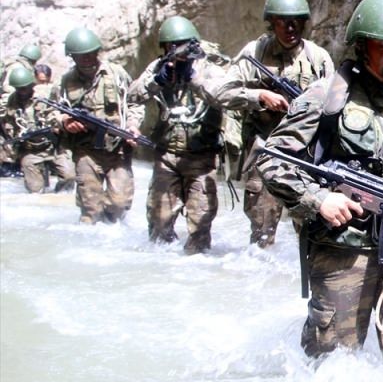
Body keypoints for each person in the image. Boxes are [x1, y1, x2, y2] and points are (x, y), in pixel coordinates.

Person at [257, 0, 383, 367]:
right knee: (331, 365)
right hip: (342, 248)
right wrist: (319, 200)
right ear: (363, 47)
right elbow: (272, 160)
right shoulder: (326, 97)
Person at [215, 0, 333, 247]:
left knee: (312, 236)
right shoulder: (254, 52)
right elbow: (222, 92)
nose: (290, 29)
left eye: (296, 23)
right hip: (264, 153)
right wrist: (259, 97)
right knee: (262, 238)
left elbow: (334, 106)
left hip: (305, 158)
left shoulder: (318, 58)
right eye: (282, 22)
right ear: (272, 23)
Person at [129, 16, 226, 254]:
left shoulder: (208, 68)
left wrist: (194, 79)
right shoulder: (158, 68)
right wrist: (157, 81)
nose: (179, 53)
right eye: (172, 47)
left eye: (183, 45)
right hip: (167, 157)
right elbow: (133, 95)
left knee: (200, 226)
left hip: (201, 158)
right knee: (159, 224)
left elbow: (224, 95)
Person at [59, 27, 144, 224]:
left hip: (117, 149)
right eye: (81, 56)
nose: (87, 59)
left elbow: (133, 103)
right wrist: (65, 122)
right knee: (90, 210)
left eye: (91, 53)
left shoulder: (116, 74)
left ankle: (112, 233)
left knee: (119, 203)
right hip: (86, 152)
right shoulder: (66, 80)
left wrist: (132, 125)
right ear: (73, 57)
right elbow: (53, 110)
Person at [1, 65, 75, 193]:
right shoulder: (11, 102)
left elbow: (63, 108)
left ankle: (59, 199)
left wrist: (59, 124)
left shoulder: (46, 93)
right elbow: (9, 126)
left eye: (25, 88)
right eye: (19, 89)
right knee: (35, 191)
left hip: (54, 146)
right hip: (31, 150)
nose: (23, 91)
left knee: (69, 176)